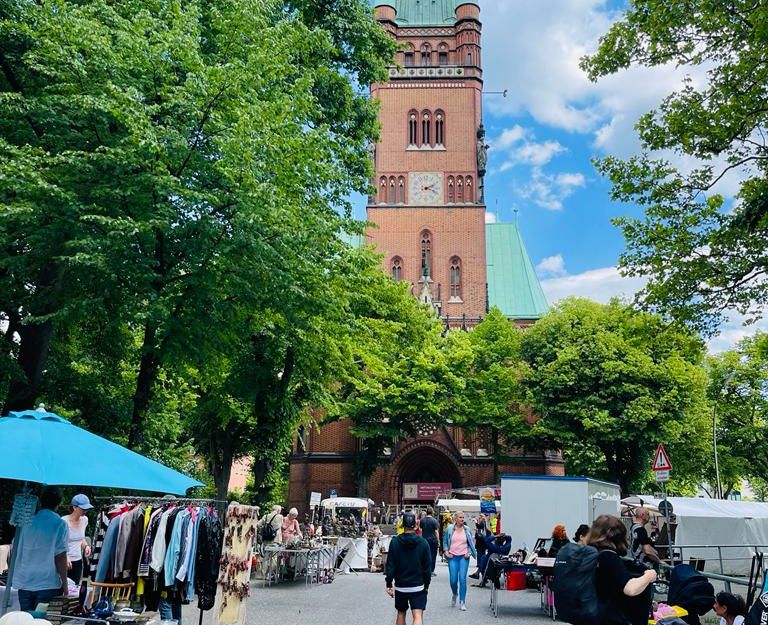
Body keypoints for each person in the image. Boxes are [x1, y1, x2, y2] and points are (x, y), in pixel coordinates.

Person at [589, 514, 657, 625]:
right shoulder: (608, 557)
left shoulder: (590, 553)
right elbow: (630, 589)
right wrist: (649, 576)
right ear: (618, 536)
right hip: (611, 618)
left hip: (593, 614)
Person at [14, 486, 69, 611]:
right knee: (41, 620)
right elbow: (60, 556)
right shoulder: (59, 524)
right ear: (59, 502)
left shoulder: (26, 522)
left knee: (25, 620)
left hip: (25, 579)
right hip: (46, 581)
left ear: (41, 501)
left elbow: (16, 547)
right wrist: (65, 584)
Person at [385, 512, 432, 625]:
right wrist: (426, 584)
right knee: (417, 614)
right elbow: (427, 567)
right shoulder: (423, 543)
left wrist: (389, 583)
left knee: (401, 613)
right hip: (418, 585)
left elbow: (390, 564)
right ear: (415, 525)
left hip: (401, 585)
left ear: (402, 525)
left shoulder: (395, 542)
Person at [442, 511, 477, 610]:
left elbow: (471, 543)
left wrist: (469, 552)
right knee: (453, 580)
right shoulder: (449, 529)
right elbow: (444, 541)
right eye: (460, 517)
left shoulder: (467, 529)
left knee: (462, 579)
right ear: (455, 519)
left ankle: (462, 601)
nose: (462, 519)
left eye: (463, 517)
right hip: (452, 556)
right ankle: (454, 593)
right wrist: (446, 551)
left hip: (463, 557)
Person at [62, 494, 92, 584]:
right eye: (83, 509)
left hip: (77, 561)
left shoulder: (84, 520)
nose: (85, 511)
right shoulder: (63, 521)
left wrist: (86, 546)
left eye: (87, 509)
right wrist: (66, 557)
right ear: (75, 507)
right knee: (61, 589)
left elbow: (81, 538)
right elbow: (58, 542)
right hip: (64, 560)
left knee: (74, 590)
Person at [419, 507, 440, 576]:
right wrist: (438, 541)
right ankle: (431, 571)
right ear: (432, 512)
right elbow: (436, 531)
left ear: (426, 512)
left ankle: (424, 569)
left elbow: (421, 531)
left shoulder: (422, 520)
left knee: (424, 555)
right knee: (433, 555)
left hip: (424, 540)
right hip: (433, 540)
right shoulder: (434, 521)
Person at [470, 513, 488, 579]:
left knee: (480, 555)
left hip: (481, 542)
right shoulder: (483, 523)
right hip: (481, 542)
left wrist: (475, 522)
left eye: (478, 517)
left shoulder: (482, 523)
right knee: (480, 554)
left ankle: (480, 567)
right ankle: (478, 571)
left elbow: (479, 528)